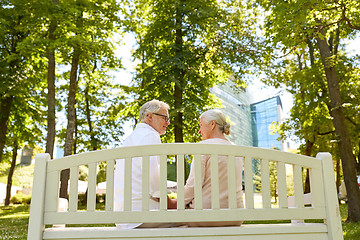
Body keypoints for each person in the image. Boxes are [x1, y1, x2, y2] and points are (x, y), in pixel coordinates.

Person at [168, 109, 244, 227]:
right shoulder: (236, 149)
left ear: (212, 124)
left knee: (161, 222)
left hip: (206, 215)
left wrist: (175, 203)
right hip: (236, 216)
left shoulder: (204, 147)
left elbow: (193, 185)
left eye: (201, 125)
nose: (199, 131)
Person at [114, 99, 171, 229]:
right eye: (165, 118)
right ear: (149, 116)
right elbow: (154, 181)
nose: (168, 123)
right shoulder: (150, 136)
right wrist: (170, 202)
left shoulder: (131, 138)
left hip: (124, 217)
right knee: (192, 221)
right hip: (142, 216)